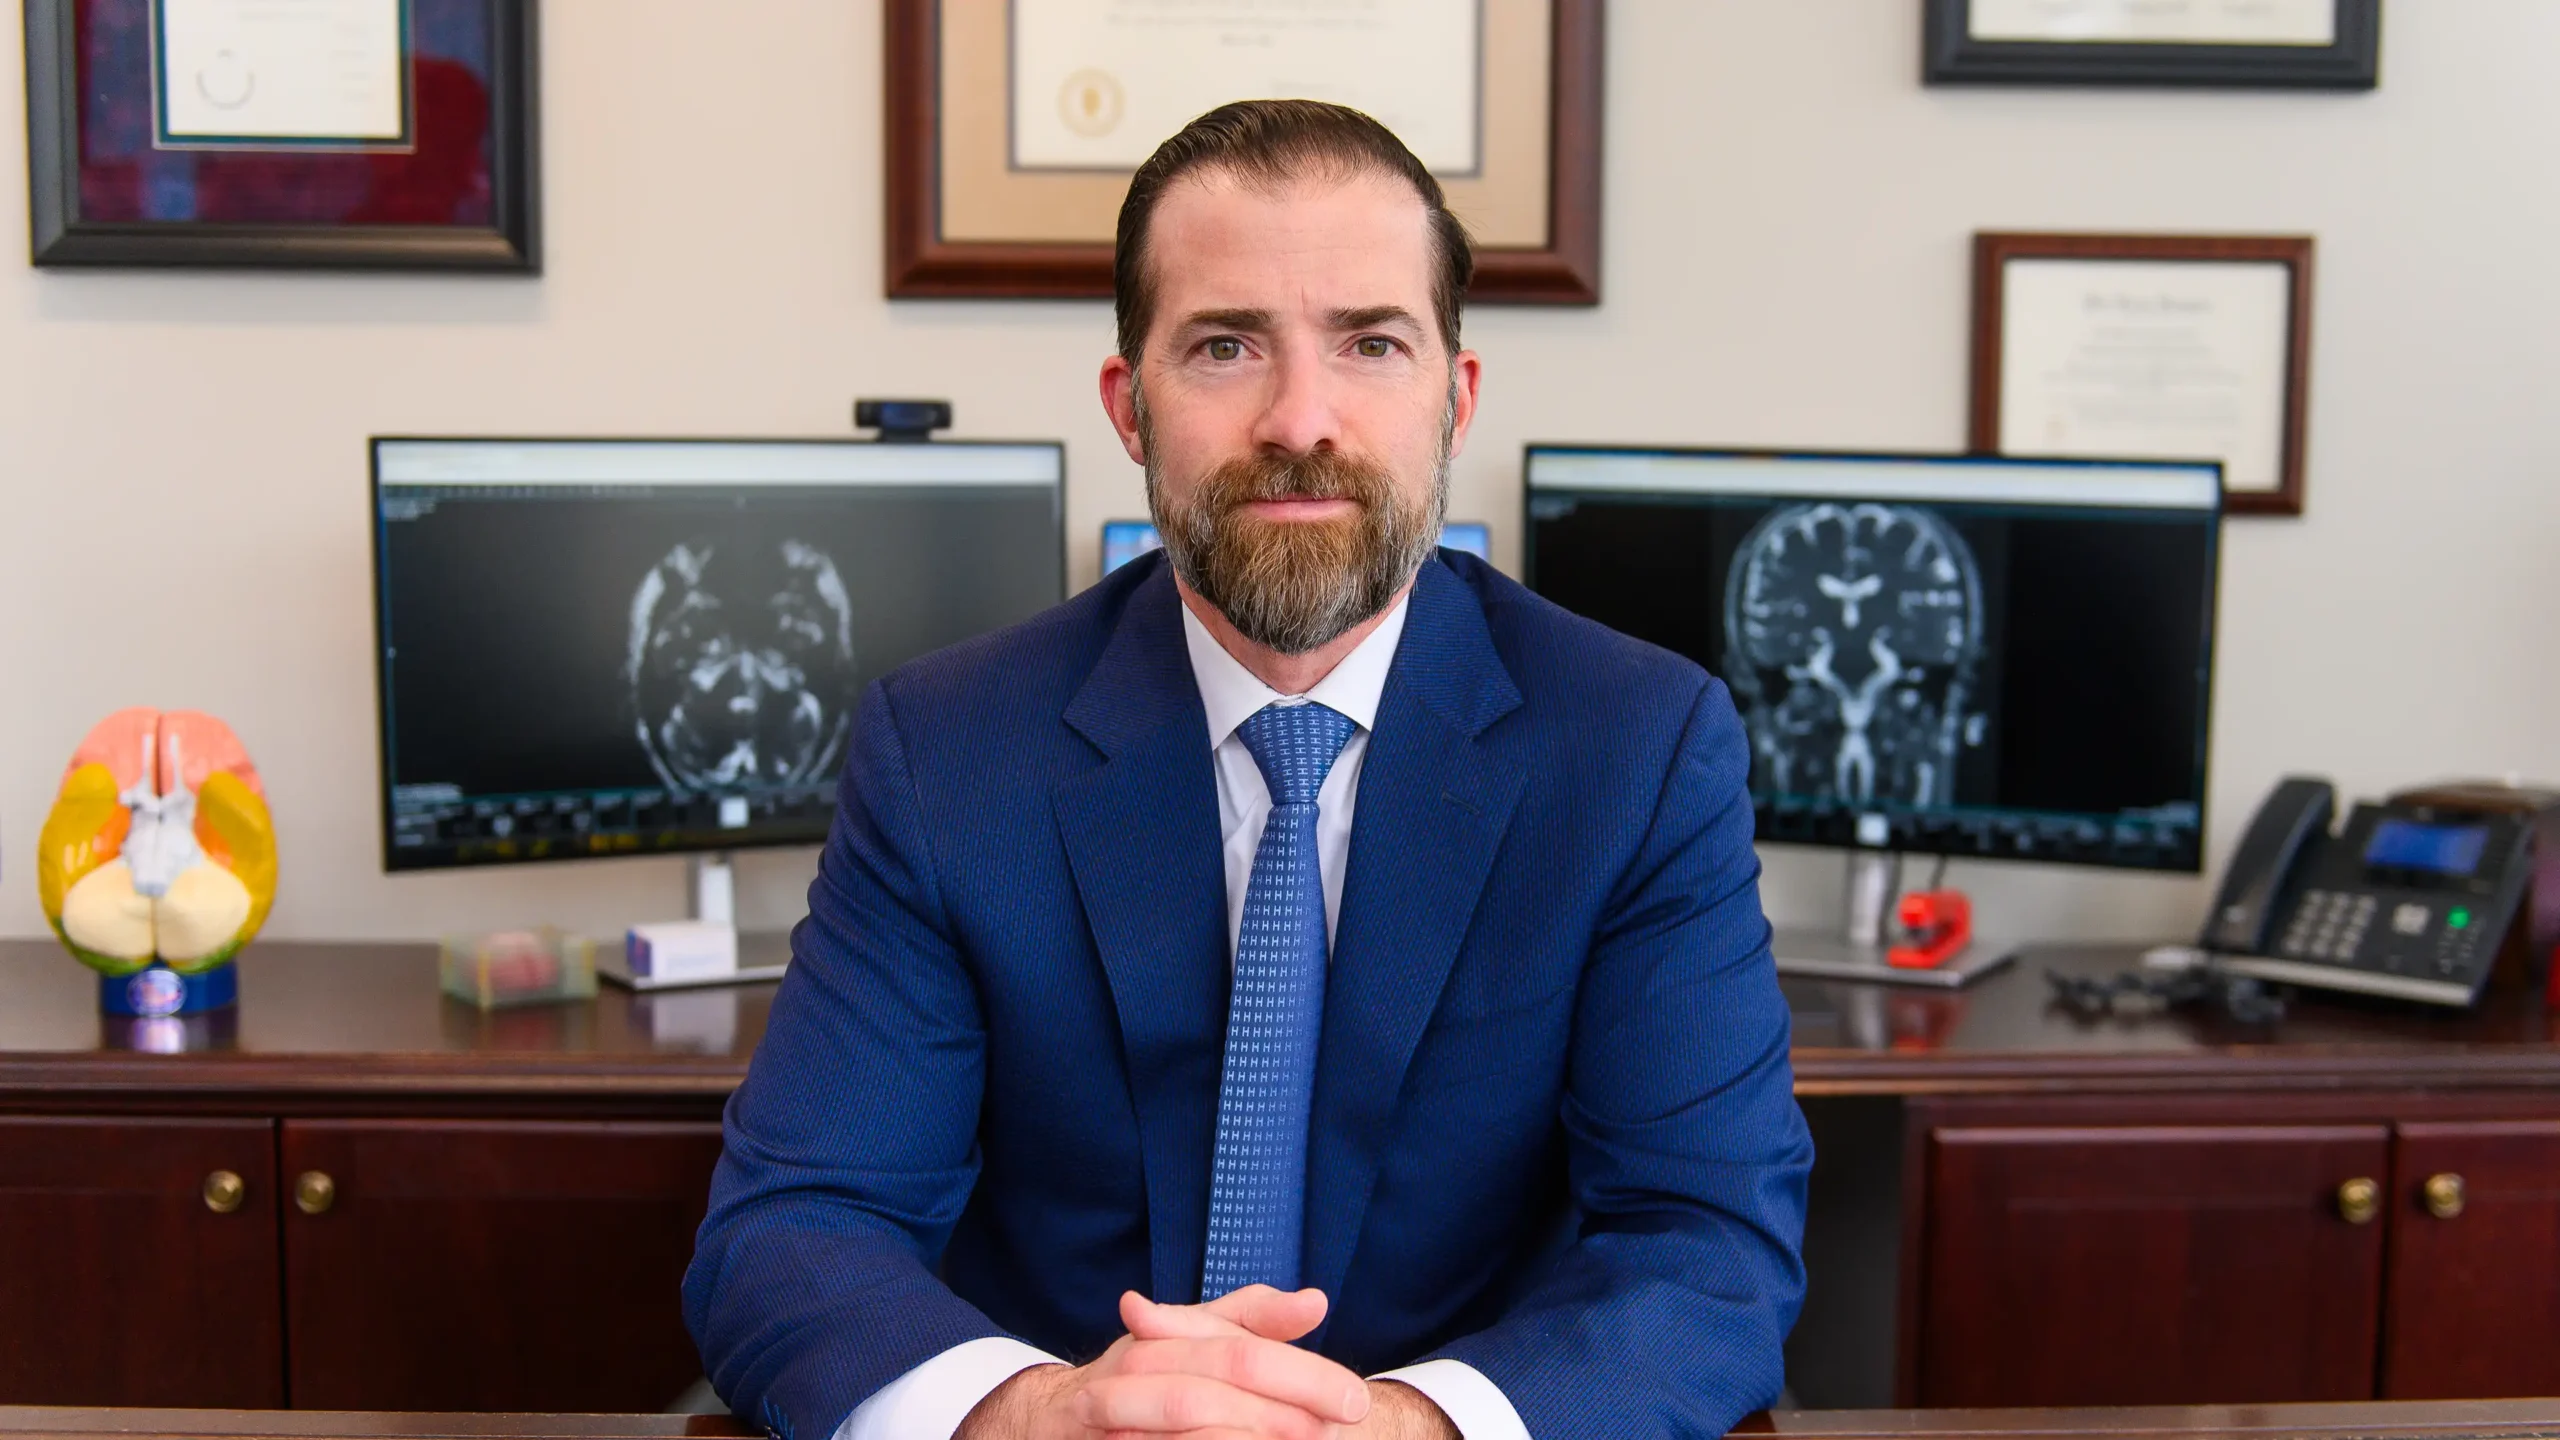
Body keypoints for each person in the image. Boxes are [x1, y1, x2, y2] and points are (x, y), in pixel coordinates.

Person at [684, 99, 1812, 1440]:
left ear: (1453, 397)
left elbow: (1709, 1246)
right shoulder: (949, 750)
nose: (1300, 419)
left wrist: (1410, 1429)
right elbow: (795, 1228)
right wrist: (1035, 1413)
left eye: (1370, 343)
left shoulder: (1635, 746)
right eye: (1225, 345)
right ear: (1130, 405)